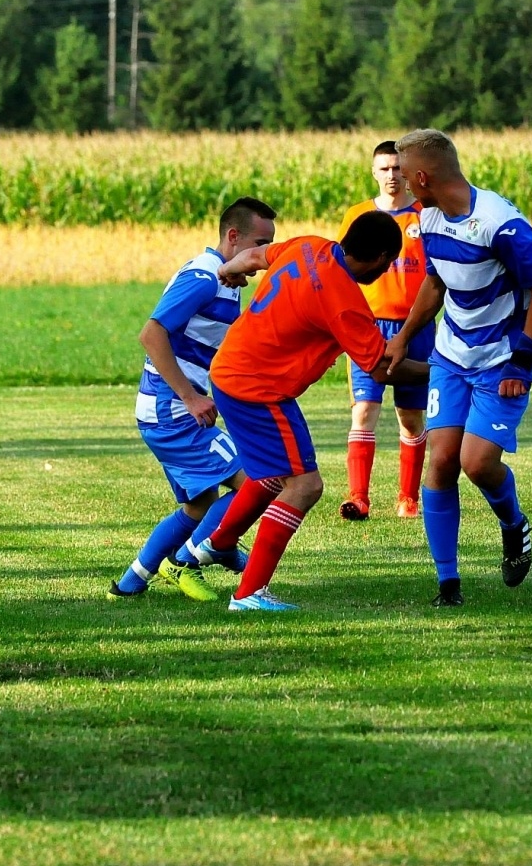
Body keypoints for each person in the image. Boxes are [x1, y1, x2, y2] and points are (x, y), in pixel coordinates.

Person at [199, 211, 410, 611]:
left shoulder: (308, 245)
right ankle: (248, 595)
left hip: (228, 372)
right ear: (383, 258)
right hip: (258, 389)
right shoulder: (345, 301)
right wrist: (448, 371)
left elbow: (253, 259)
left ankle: (219, 544)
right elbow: (381, 368)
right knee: (305, 485)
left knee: (272, 474)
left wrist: (227, 270)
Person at [385, 129, 532, 608]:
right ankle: (449, 584)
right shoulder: (429, 216)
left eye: (403, 173)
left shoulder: (501, 224)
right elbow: (435, 281)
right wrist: (401, 338)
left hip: (501, 361)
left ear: (421, 177)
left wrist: (522, 362)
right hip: (450, 357)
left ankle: (514, 524)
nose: (398, 181)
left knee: (477, 463)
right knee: (440, 461)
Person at [107, 197, 277, 602]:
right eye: (259, 244)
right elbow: (151, 335)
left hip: (167, 412)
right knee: (256, 479)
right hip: (173, 412)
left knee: (200, 505)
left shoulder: (219, 278)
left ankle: (129, 585)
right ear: (233, 237)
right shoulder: (202, 279)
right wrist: (191, 396)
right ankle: (188, 559)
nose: (263, 255)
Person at [339, 141, 432, 522]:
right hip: (369, 327)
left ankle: (408, 498)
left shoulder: (425, 216)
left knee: (410, 417)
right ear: (374, 173)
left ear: (407, 173)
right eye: (384, 169)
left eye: (397, 168)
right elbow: (341, 271)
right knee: (364, 411)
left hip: (416, 328)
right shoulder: (357, 216)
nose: (392, 176)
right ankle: (358, 498)